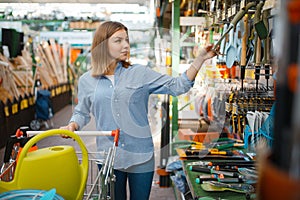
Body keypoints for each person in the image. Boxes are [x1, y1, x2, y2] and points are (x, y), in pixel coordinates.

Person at [60, 21, 217, 200]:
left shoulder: (140, 73)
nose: (126, 45)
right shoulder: (86, 80)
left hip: (141, 156)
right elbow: (81, 112)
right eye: (118, 40)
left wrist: (200, 59)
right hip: (108, 157)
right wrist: (72, 125)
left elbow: (177, 86)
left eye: (126, 40)